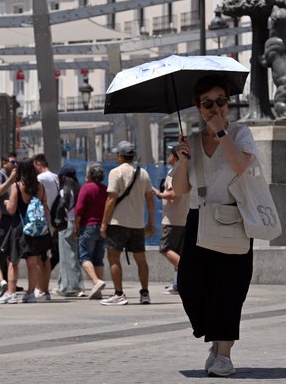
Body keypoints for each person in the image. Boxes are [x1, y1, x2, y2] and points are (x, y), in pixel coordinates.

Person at [172, 74, 257, 377]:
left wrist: (222, 133)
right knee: (188, 286)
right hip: (199, 219)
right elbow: (180, 189)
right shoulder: (192, 142)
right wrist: (182, 160)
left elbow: (239, 166)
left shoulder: (241, 134)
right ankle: (213, 334)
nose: (215, 108)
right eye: (208, 103)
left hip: (234, 218)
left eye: (221, 101)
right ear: (198, 107)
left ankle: (223, 354)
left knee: (230, 290)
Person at [100, 141, 155, 306]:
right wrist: (151, 221)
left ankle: (119, 293)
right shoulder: (143, 173)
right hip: (137, 223)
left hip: (117, 222)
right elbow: (150, 199)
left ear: (121, 156)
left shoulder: (115, 172)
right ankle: (145, 293)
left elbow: (111, 199)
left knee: (113, 258)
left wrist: (104, 223)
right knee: (141, 258)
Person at [0, 158, 51, 303]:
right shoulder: (40, 186)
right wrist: (47, 227)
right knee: (33, 262)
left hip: (19, 228)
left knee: (12, 261)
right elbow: (45, 209)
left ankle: (11, 293)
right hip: (36, 229)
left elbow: (11, 209)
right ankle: (30, 293)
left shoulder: (17, 186)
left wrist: (6, 202)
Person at [152, 147, 189, 295]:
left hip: (172, 219)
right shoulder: (186, 171)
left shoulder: (174, 173)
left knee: (165, 248)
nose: (168, 157)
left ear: (175, 157)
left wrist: (159, 194)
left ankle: (187, 272)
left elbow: (174, 193)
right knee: (179, 252)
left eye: (169, 154)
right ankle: (177, 284)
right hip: (183, 218)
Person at [75, 162, 108, 300]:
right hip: (102, 228)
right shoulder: (105, 189)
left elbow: (79, 210)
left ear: (89, 175)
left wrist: (76, 227)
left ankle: (96, 282)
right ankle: (97, 290)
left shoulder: (86, 188)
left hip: (88, 226)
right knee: (98, 259)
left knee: (84, 257)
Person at [53, 164, 83, 297]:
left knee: (66, 256)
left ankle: (70, 287)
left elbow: (62, 206)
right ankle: (62, 284)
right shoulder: (78, 188)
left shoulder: (65, 189)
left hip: (66, 224)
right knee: (72, 254)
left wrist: (57, 221)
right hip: (75, 222)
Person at [32, 153, 59, 301]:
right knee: (46, 256)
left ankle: (39, 289)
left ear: (38, 164)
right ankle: (45, 289)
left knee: (37, 256)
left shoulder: (40, 179)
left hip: (39, 220)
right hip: (50, 220)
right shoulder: (55, 177)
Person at [0, 153, 18, 291]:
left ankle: (9, 281)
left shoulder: (15, 176)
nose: (15, 165)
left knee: (10, 250)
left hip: (13, 218)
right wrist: (11, 180)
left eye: (16, 163)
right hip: (3, 218)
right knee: (1, 249)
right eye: (12, 162)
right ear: (4, 163)